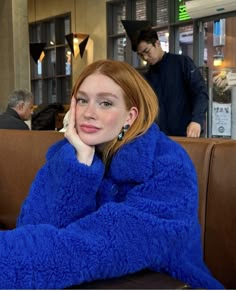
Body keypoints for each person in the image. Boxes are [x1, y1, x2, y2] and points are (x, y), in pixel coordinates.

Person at [0, 60, 223, 289]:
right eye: (82, 100)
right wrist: (80, 166)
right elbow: (30, 225)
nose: (88, 113)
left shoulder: (167, 165)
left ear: (130, 116)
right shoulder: (67, 157)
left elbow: (92, 247)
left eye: (105, 103)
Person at [132, 28, 209, 137]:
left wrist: (197, 120)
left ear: (157, 43)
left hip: (187, 134)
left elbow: (201, 92)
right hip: (160, 138)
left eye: (146, 51)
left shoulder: (182, 63)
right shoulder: (145, 75)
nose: (145, 57)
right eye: (140, 55)